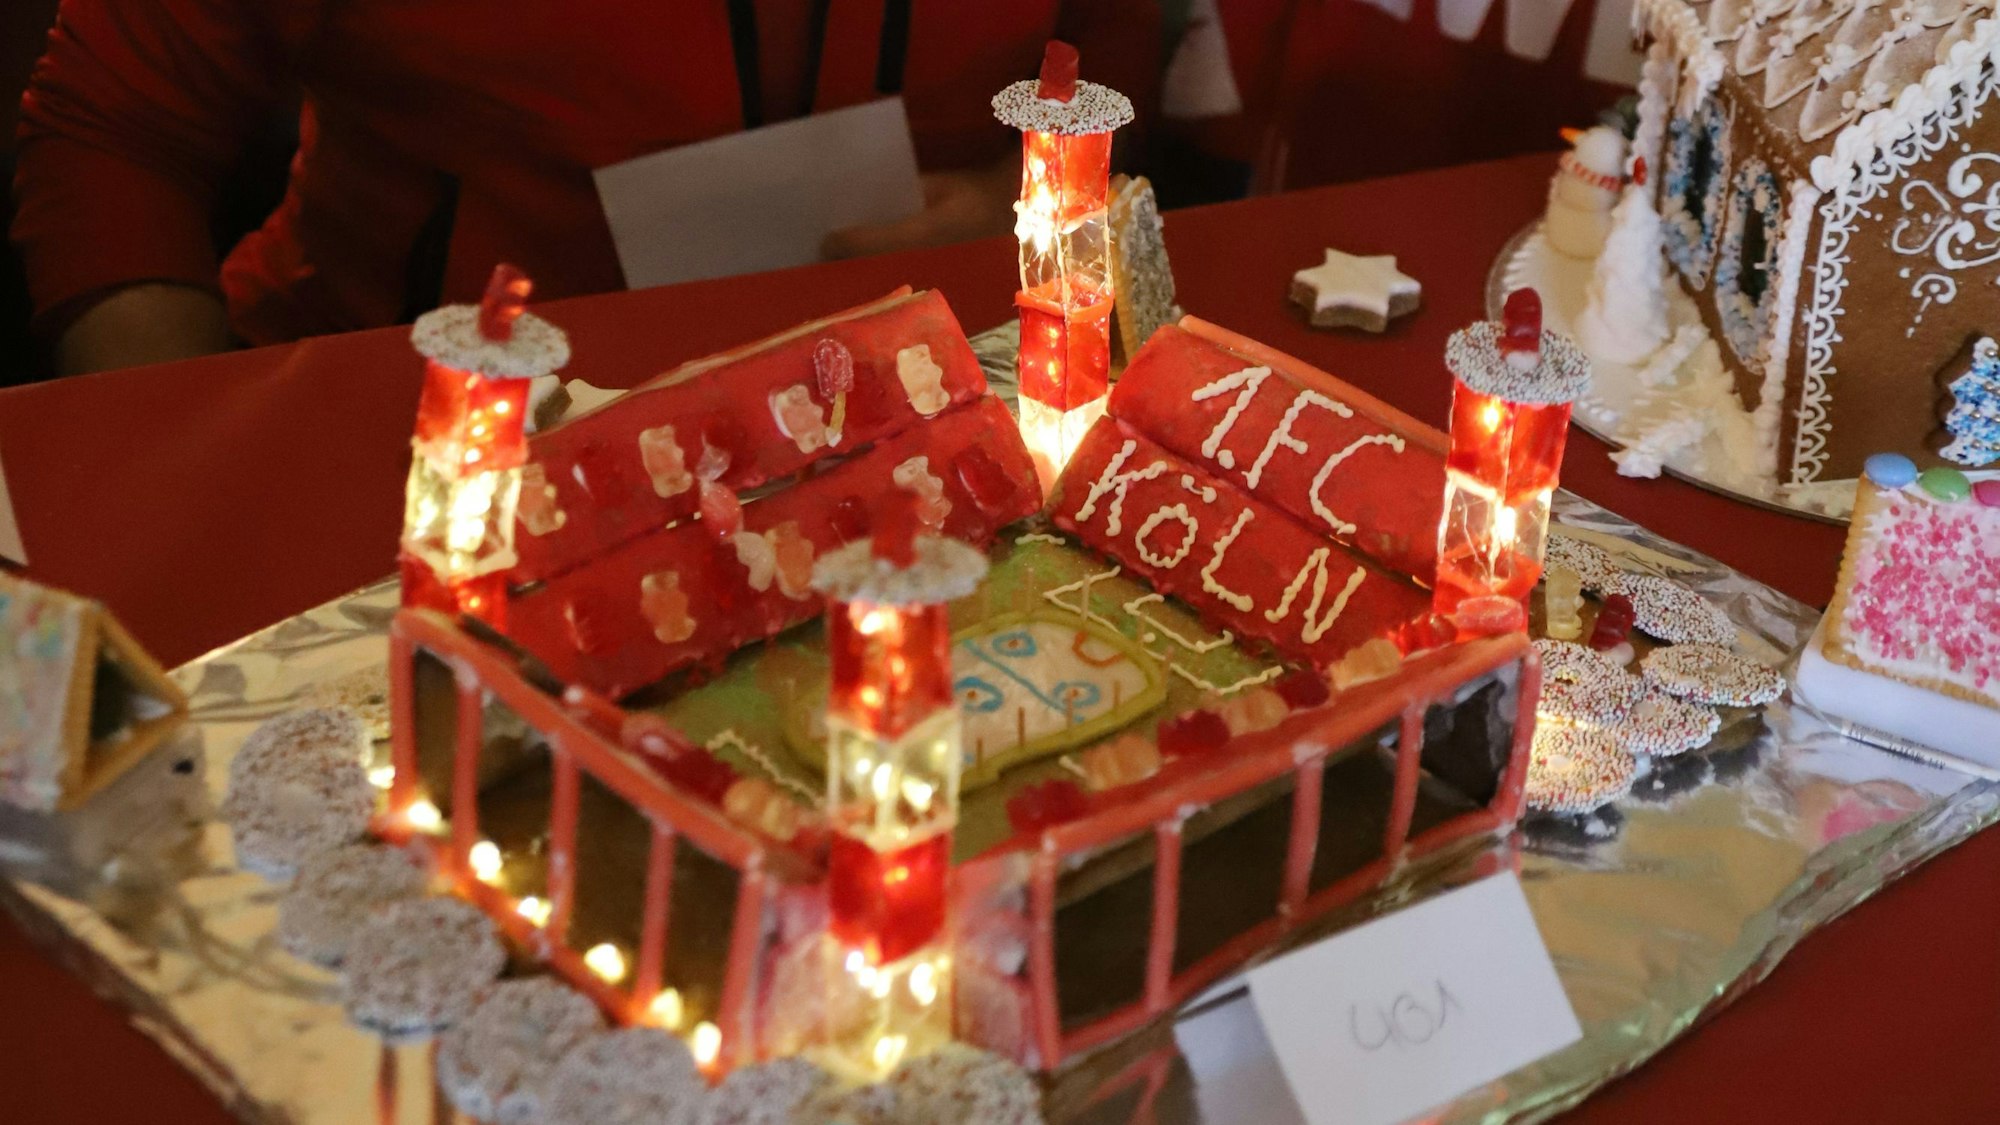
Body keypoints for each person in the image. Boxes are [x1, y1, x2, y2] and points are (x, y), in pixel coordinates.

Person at [11, 1, 1160, 375]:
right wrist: (189, 453)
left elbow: (1108, 47)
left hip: (933, 399)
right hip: (415, 427)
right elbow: (115, 135)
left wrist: (1031, 190)